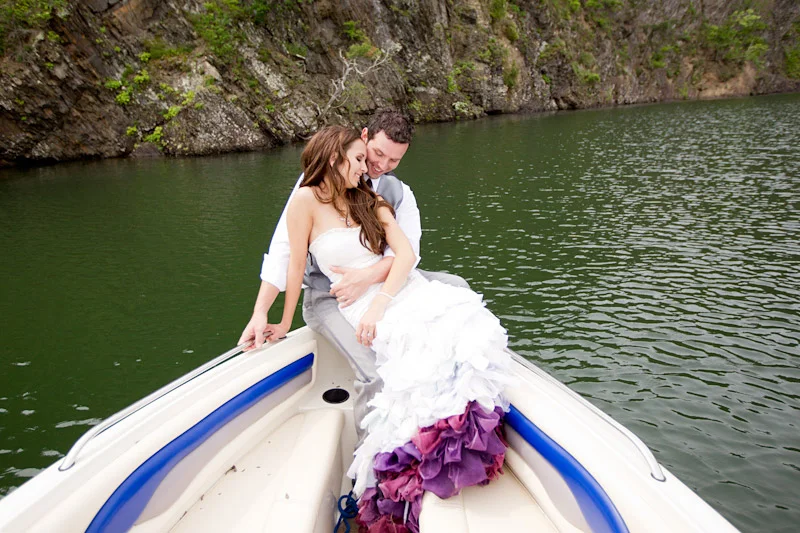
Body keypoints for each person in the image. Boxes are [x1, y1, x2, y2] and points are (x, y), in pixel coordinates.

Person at [260, 126, 514, 531]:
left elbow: (407, 253)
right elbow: (290, 263)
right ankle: (380, 473)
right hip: (349, 302)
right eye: (363, 158)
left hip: (391, 293)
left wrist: (381, 300)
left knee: (460, 319)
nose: (370, 169)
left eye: (383, 161)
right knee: (391, 368)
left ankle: (437, 452)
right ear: (335, 157)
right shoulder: (305, 200)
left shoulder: (374, 197)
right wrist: (279, 319)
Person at [239, 110, 469, 444]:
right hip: (330, 295)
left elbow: (408, 254)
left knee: (458, 291)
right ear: (363, 138)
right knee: (374, 369)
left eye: (394, 160)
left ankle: (443, 423)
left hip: (384, 283)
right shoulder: (310, 191)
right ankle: (372, 457)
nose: (380, 166)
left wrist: (368, 278)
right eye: (376, 154)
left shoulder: (395, 194)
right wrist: (263, 312)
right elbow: (285, 253)